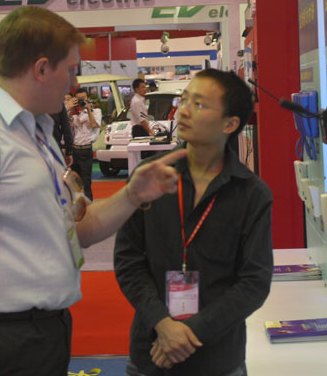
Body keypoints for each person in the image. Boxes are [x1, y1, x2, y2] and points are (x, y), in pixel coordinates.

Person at [0, 5, 188, 376]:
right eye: (71, 69)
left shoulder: (39, 132)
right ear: (41, 69)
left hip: (46, 332)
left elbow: (77, 227)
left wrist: (132, 195)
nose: (74, 83)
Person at [114, 69, 274, 376]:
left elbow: (254, 282)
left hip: (218, 358)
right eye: (184, 100)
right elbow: (127, 260)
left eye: (198, 104)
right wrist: (162, 324)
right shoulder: (149, 176)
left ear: (230, 124)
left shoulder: (251, 194)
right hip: (151, 351)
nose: (183, 111)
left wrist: (188, 334)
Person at [69, 87, 102, 200]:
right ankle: (78, 207)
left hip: (86, 150)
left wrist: (88, 109)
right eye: (78, 99)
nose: (81, 101)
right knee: (75, 183)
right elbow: (67, 128)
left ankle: (88, 207)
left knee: (86, 182)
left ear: (88, 98)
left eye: (83, 98)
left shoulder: (96, 111)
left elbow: (94, 125)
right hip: (74, 151)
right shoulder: (75, 115)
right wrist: (70, 109)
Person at [51, 94, 74, 166]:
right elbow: (66, 128)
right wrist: (69, 152)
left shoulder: (30, 102)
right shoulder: (58, 102)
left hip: (36, 145)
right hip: (55, 144)